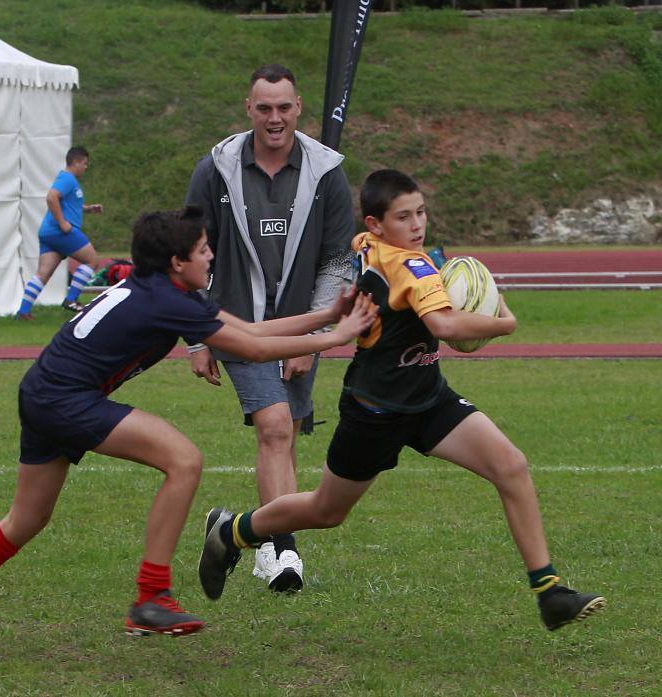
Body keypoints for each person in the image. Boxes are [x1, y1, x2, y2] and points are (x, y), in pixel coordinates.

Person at [0, 205, 377, 651]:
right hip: (63, 399)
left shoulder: (165, 290)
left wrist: (327, 317)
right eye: (203, 250)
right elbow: (251, 350)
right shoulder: (169, 301)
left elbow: (251, 332)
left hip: (43, 392)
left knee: (26, 520)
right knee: (184, 460)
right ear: (177, 262)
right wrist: (336, 337)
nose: (210, 255)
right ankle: (151, 598)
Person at [198, 170, 606, 632]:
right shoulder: (412, 269)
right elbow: (448, 328)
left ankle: (550, 592)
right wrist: (503, 322)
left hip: (427, 398)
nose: (417, 225)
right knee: (325, 512)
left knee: (510, 465)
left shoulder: (368, 247)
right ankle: (232, 531)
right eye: (403, 217)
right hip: (375, 411)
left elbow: (367, 257)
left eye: (421, 212)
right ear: (376, 223)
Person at [185, 64, 355, 592]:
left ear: (299, 106)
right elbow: (188, 253)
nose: (274, 118)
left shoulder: (326, 172)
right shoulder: (215, 168)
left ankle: (248, 531)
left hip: (303, 325)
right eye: (264, 108)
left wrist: (307, 341)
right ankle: (281, 552)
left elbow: (336, 263)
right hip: (238, 324)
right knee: (276, 427)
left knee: (285, 433)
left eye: (283, 107)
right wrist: (197, 335)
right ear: (248, 108)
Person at [16, 145, 103, 319]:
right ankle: (71, 299)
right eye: (85, 163)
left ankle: (23, 312)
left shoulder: (68, 180)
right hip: (60, 231)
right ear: (76, 162)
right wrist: (63, 223)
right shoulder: (68, 179)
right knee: (92, 261)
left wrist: (88, 209)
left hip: (47, 232)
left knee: (43, 274)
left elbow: (69, 204)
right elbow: (51, 197)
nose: (86, 167)